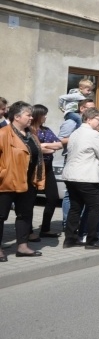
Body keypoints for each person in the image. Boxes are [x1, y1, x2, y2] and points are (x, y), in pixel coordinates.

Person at [0, 101, 44, 260]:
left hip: (27, 182)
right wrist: (3, 173)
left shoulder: (31, 133)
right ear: (17, 117)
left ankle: (23, 247)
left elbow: (35, 155)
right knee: (1, 216)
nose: (32, 117)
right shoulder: (3, 133)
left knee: (25, 215)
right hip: (6, 182)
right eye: (28, 115)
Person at [62, 108, 99, 250]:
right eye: (98, 119)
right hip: (86, 176)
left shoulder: (75, 133)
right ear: (88, 119)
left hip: (71, 176)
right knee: (95, 206)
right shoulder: (94, 135)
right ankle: (92, 240)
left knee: (75, 207)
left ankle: (70, 239)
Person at [31, 104, 63, 239]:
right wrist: (44, 148)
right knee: (30, 200)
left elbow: (59, 144)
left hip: (48, 167)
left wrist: (44, 146)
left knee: (53, 197)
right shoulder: (29, 131)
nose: (46, 117)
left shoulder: (46, 130)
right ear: (38, 115)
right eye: (44, 114)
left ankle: (45, 228)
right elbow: (34, 148)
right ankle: (28, 231)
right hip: (34, 168)